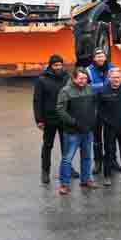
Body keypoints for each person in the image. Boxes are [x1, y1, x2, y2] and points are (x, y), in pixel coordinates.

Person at [55, 68, 99, 194]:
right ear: (74, 78)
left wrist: (92, 120)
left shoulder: (90, 89)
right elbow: (60, 110)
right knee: (67, 158)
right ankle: (64, 184)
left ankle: (86, 180)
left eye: (85, 78)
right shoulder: (65, 91)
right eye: (80, 78)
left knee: (87, 157)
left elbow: (94, 106)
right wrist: (73, 122)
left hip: (87, 131)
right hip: (72, 132)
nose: (83, 81)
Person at [97, 66, 121, 185]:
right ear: (109, 78)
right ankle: (107, 176)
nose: (116, 79)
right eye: (113, 77)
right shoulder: (102, 91)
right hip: (109, 127)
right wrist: (107, 121)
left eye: (118, 77)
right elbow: (99, 110)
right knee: (109, 151)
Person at [33, 54, 69, 185]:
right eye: (55, 65)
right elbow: (37, 101)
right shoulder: (42, 80)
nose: (58, 67)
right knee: (48, 146)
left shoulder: (67, 77)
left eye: (60, 65)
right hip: (49, 120)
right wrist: (39, 120)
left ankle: (68, 168)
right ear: (50, 65)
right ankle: (45, 171)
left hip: (64, 118)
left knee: (67, 146)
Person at [86, 48, 114, 177]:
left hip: (110, 107)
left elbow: (115, 84)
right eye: (98, 57)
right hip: (95, 108)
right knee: (97, 138)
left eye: (102, 56)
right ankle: (98, 161)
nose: (100, 59)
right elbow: (87, 88)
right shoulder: (88, 71)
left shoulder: (112, 68)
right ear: (94, 58)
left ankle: (112, 159)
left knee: (111, 137)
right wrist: (104, 87)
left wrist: (98, 87)